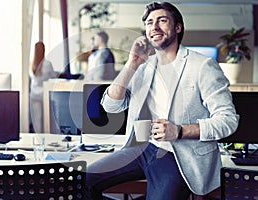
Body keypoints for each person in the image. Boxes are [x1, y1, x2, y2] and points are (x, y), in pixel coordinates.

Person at [85, 2, 239, 200]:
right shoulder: (143, 67)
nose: (154, 27)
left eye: (162, 20)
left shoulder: (202, 66)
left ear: (177, 27)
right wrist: (131, 63)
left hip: (178, 154)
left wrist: (180, 130)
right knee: (81, 180)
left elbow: (228, 120)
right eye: (149, 23)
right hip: (138, 148)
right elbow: (111, 105)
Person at [30, 41, 58, 133]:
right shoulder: (47, 64)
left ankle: (38, 138)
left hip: (34, 94)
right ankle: (46, 137)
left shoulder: (31, 64)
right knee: (47, 119)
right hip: (45, 95)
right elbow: (53, 76)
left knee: (36, 119)